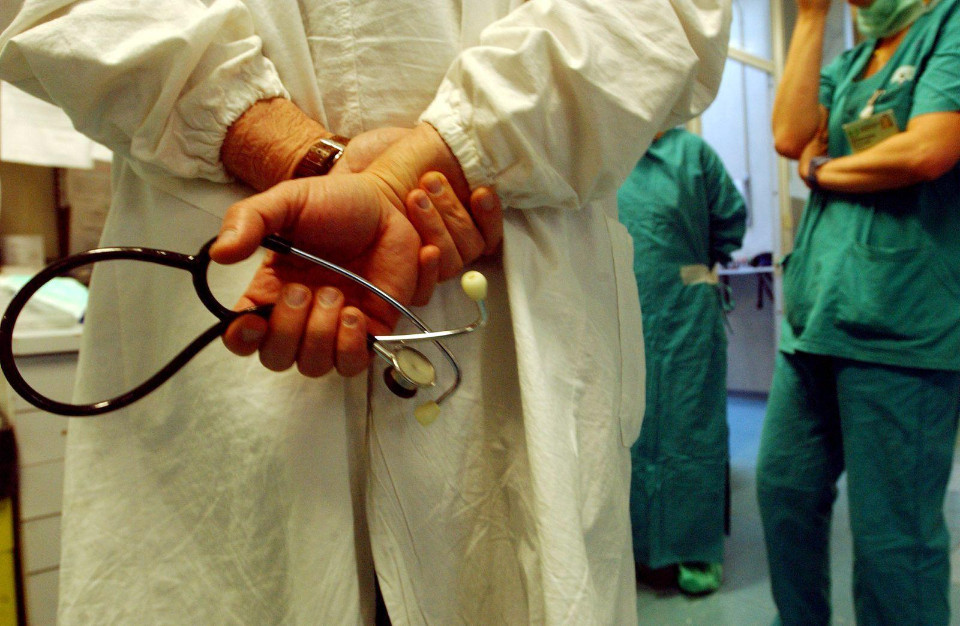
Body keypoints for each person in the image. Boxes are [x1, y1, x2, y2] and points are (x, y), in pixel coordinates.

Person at [0, 2, 731, 624]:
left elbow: (658, 17)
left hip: (514, 311)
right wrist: (358, 166)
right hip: (244, 326)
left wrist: (424, 168)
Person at [762, 0, 960, 622]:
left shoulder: (948, 27)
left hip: (901, 323)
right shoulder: (849, 65)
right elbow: (789, 137)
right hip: (815, 317)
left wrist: (824, 170)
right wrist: (810, 19)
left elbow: (927, 150)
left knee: (891, 539)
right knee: (785, 494)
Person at [617, 128, 746, 596]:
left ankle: (694, 549)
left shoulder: (690, 154)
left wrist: (694, 260)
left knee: (691, 427)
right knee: (624, 429)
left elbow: (730, 220)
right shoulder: (601, 151)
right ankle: (630, 546)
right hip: (614, 311)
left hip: (684, 314)